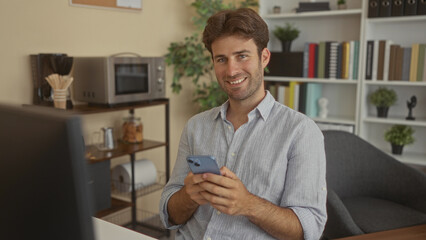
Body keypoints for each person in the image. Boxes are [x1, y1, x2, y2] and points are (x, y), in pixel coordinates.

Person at [160, 8, 327, 240]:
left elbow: (309, 230)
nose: (231, 70)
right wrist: (189, 195)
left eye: (242, 56)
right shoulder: (195, 127)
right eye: (221, 59)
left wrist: (248, 204)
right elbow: (170, 215)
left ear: (264, 57)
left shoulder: (301, 132)